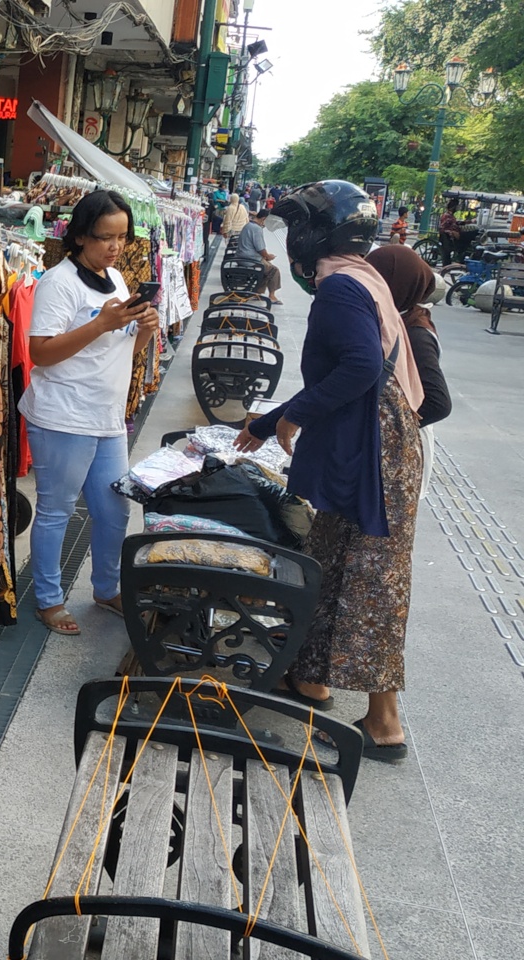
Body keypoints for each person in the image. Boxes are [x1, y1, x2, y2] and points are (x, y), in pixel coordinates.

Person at [235, 180, 425, 763]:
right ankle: (310, 678)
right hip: (375, 436)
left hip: (374, 446)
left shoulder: (340, 286)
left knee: (371, 576)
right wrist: (283, 415)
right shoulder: (362, 275)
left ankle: (385, 722)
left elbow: (361, 366)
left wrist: (283, 417)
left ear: (316, 233)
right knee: (333, 554)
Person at [20, 189, 160, 635]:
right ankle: (48, 599)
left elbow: (121, 354)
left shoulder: (116, 280)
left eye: (122, 238)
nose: (115, 247)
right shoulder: (58, 283)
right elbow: (39, 353)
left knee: (114, 509)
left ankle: (106, 587)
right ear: (80, 236)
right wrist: (100, 323)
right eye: (105, 237)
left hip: (106, 418)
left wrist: (143, 330)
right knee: (57, 510)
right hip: (63, 416)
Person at [366, 244, 453, 498]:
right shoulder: (399, 319)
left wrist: (382, 429)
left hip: (396, 454)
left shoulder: (415, 333)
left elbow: (438, 403)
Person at [234, 208, 282, 304]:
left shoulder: (248, 225)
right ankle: (271, 296)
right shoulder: (256, 229)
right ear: (263, 219)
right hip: (250, 260)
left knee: (266, 267)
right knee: (273, 270)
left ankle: (257, 292)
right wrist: (268, 256)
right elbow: (260, 248)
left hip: (241, 257)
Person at [439, 197, 462, 265]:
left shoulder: (451, 216)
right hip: (448, 237)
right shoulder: (447, 216)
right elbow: (442, 228)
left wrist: (469, 222)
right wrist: (451, 232)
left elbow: (456, 223)